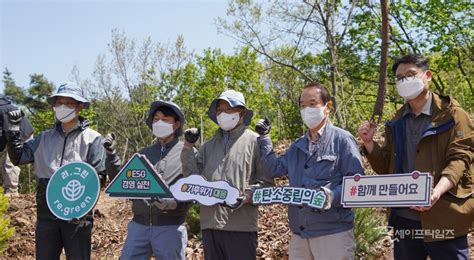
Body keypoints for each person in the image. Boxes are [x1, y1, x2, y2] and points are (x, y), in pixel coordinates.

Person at [358, 54, 473, 259]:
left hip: (444, 215)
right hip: (404, 218)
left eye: (411, 74)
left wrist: (436, 192)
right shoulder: (396, 121)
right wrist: (369, 144)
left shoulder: (453, 115)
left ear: (427, 75)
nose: (405, 81)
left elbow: (460, 159)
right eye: (400, 78)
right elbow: (387, 167)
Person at [255, 83, 364, 260]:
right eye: (303, 106)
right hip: (300, 233)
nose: (307, 110)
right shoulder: (298, 146)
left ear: (327, 107)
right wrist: (264, 138)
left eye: (312, 104)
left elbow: (357, 185)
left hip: (332, 232)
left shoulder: (342, 140)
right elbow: (272, 169)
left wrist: (332, 196)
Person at [4, 82, 107, 259]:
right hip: (47, 214)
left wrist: (78, 205)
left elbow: (99, 177)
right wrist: (13, 131)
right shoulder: (44, 138)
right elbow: (18, 157)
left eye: (68, 103)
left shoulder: (93, 139)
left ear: (80, 107)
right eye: (58, 103)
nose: (62, 107)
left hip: (78, 217)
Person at [181, 89, 274, 260]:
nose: (223, 114)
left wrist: (247, 195)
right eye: (219, 110)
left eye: (229, 109)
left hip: (241, 227)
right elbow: (192, 181)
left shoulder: (255, 142)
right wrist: (188, 147)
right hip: (210, 226)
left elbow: (267, 183)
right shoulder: (208, 146)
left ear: (242, 113)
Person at [104, 101, 191, 259]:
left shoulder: (187, 154)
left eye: (165, 119)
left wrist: (175, 202)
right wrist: (111, 155)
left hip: (170, 227)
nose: (159, 123)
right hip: (139, 226)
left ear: (176, 124)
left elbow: (193, 188)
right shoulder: (143, 153)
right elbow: (122, 180)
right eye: (156, 119)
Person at [0, 95, 34, 195]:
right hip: (16, 134)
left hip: (21, 134)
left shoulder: (2, 109)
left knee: (9, 162)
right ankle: (8, 188)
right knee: (4, 163)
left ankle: (12, 191)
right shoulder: (4, 107)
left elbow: (6, 129)